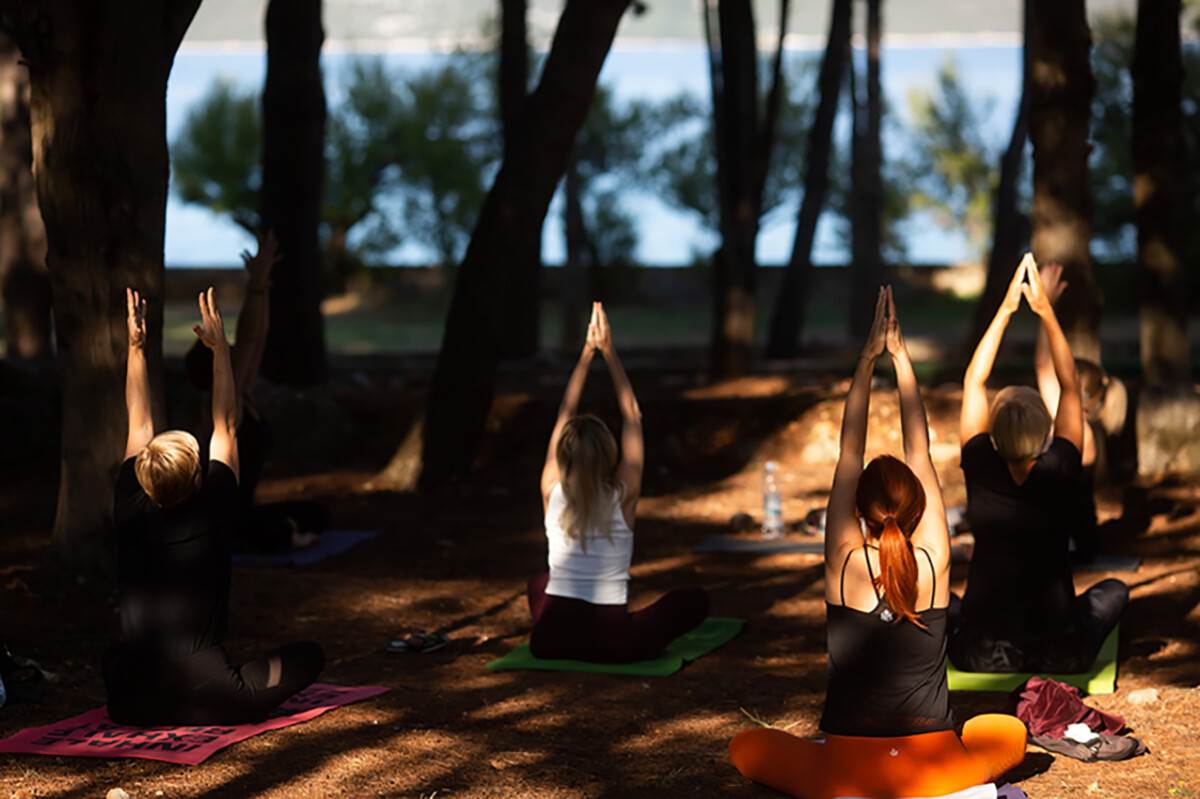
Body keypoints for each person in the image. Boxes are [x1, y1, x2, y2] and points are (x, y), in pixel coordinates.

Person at [730, 288, 1026, 799]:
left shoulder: (843, 561)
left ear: (858, 512)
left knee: (745, 746)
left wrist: (867, 362)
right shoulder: (933, 561)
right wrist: (904, 362)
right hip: (933, 771)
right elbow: (920, 451)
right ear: (917, 510)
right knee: (1006, 731)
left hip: (845, 773)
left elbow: (849, 453)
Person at [104, 286, 324, 725]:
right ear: (197, 478)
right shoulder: (214, 505)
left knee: (119, 658)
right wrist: (221, 350)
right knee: (308, 655)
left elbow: (138, 420)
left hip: (131, 700)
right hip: (207, 688)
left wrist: (136, 347)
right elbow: (225, 424)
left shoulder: (129, 502)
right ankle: (201, 702)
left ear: (144, 474)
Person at [951, 254, 1128, 673]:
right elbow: (1070, 385)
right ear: (1045, 426)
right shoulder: (1062, 463)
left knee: (945, 602)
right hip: (1059, 650)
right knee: (1114, 590)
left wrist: (1006, 310)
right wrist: (1046, 311)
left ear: (994, 429)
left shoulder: (980, 462)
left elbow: (973, 380)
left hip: (982, 653)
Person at [526, 302, 709, 662]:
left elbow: (565, 413)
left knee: (539, 582)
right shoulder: (624, 491)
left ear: (563, 454)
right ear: (608, 452)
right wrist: (608, 352)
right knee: (695, 601)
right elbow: (633, 417)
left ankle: (567, 631)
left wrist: (585, 354)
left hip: (549, 642)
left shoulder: (550, 487)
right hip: (614, 644)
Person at [183, 232, 326, 553]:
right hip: (222, 521)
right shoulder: (221, 409)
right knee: (271, 529)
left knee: (316, 513)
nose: (239, 358)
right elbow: (249, 340)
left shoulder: (239, 395)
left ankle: (286, 532)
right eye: (229, 356)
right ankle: (284, 535)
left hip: (242, 510)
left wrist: (261, 288)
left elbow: (257, 338)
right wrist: (256, 287)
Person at [1032, 262, 1123, 564]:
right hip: (1076, 539)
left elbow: (1044, 366)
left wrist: (1045, 308)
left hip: (1072, 547)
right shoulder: (1085, 427)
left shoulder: (1078, 428)